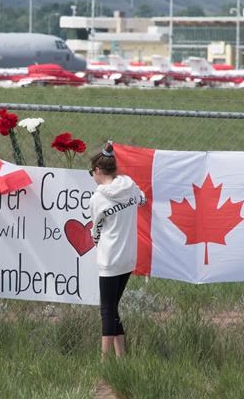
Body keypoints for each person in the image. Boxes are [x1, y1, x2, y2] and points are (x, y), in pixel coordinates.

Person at [88, 142, 146, 360]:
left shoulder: (98, 198)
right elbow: (143, 200)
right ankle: (122, 358)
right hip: (128, 257)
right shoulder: (130, 186)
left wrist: (98, 243)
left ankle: (104, 361)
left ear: (99, 171)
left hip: (110, 259)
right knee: (113, 308)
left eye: (91, 172)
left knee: (107, 310)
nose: (92, 176)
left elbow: (96, 229)